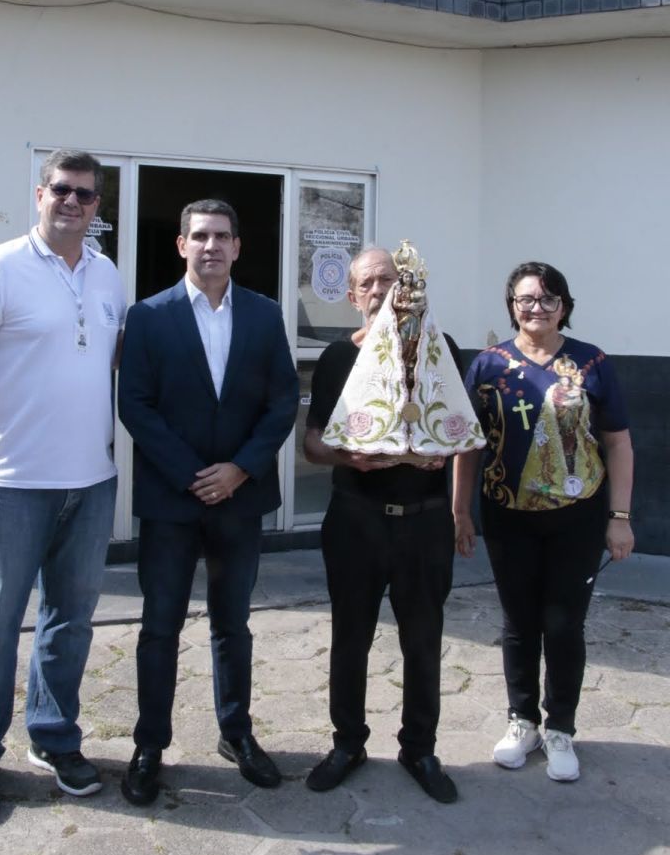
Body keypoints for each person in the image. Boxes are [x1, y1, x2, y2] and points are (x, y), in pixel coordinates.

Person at [0, 149, 126, 822]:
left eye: (84, 194)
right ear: (39, 193)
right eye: (61, 189)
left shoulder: (108, 276)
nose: (71, 201)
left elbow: (106, 367)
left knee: (70, 623)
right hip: (12, 485)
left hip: (91, 482)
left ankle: (53, 739)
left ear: (97, 206)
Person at [117, 199, 299, 807]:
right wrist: (195, 475)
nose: (211, 246)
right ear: (181, 245)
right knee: (159, 627)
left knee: (232, 625)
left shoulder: (265, 314)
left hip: (238, 502)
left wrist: (240, 471)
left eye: (222, 235)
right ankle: (149, 747)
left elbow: (282, 401)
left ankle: (236, 734)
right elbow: (135, 404)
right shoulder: (148, 316)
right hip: (172, 501)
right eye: (199, 236)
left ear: (238, 246)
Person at [453, 261, 634, 782]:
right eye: (525, 299)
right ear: (511, 305)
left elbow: (619, 442)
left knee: (563, 623)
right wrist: (460, 511)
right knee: (518, 622)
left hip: (578, 516)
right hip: (507, 513)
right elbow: (468, 444)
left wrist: (619, 518)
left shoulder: (591, 362)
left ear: (565, 306)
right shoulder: (488, 366)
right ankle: (522, 720)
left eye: (547, 299)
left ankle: (561, 729)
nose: (536, 308)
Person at [303, 247, 460, 804]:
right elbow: (313, 442)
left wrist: (447, 462)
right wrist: (349, 458)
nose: (378, 291)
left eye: (388, 280)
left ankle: (419, 747)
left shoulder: (441, 351)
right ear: (351, 297)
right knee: (350, 639)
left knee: (423, 642)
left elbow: (462, 433)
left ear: (407, 288)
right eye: (366, 283)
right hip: (356, 520)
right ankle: (348, 743)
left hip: (424, 524)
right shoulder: (336, 359)